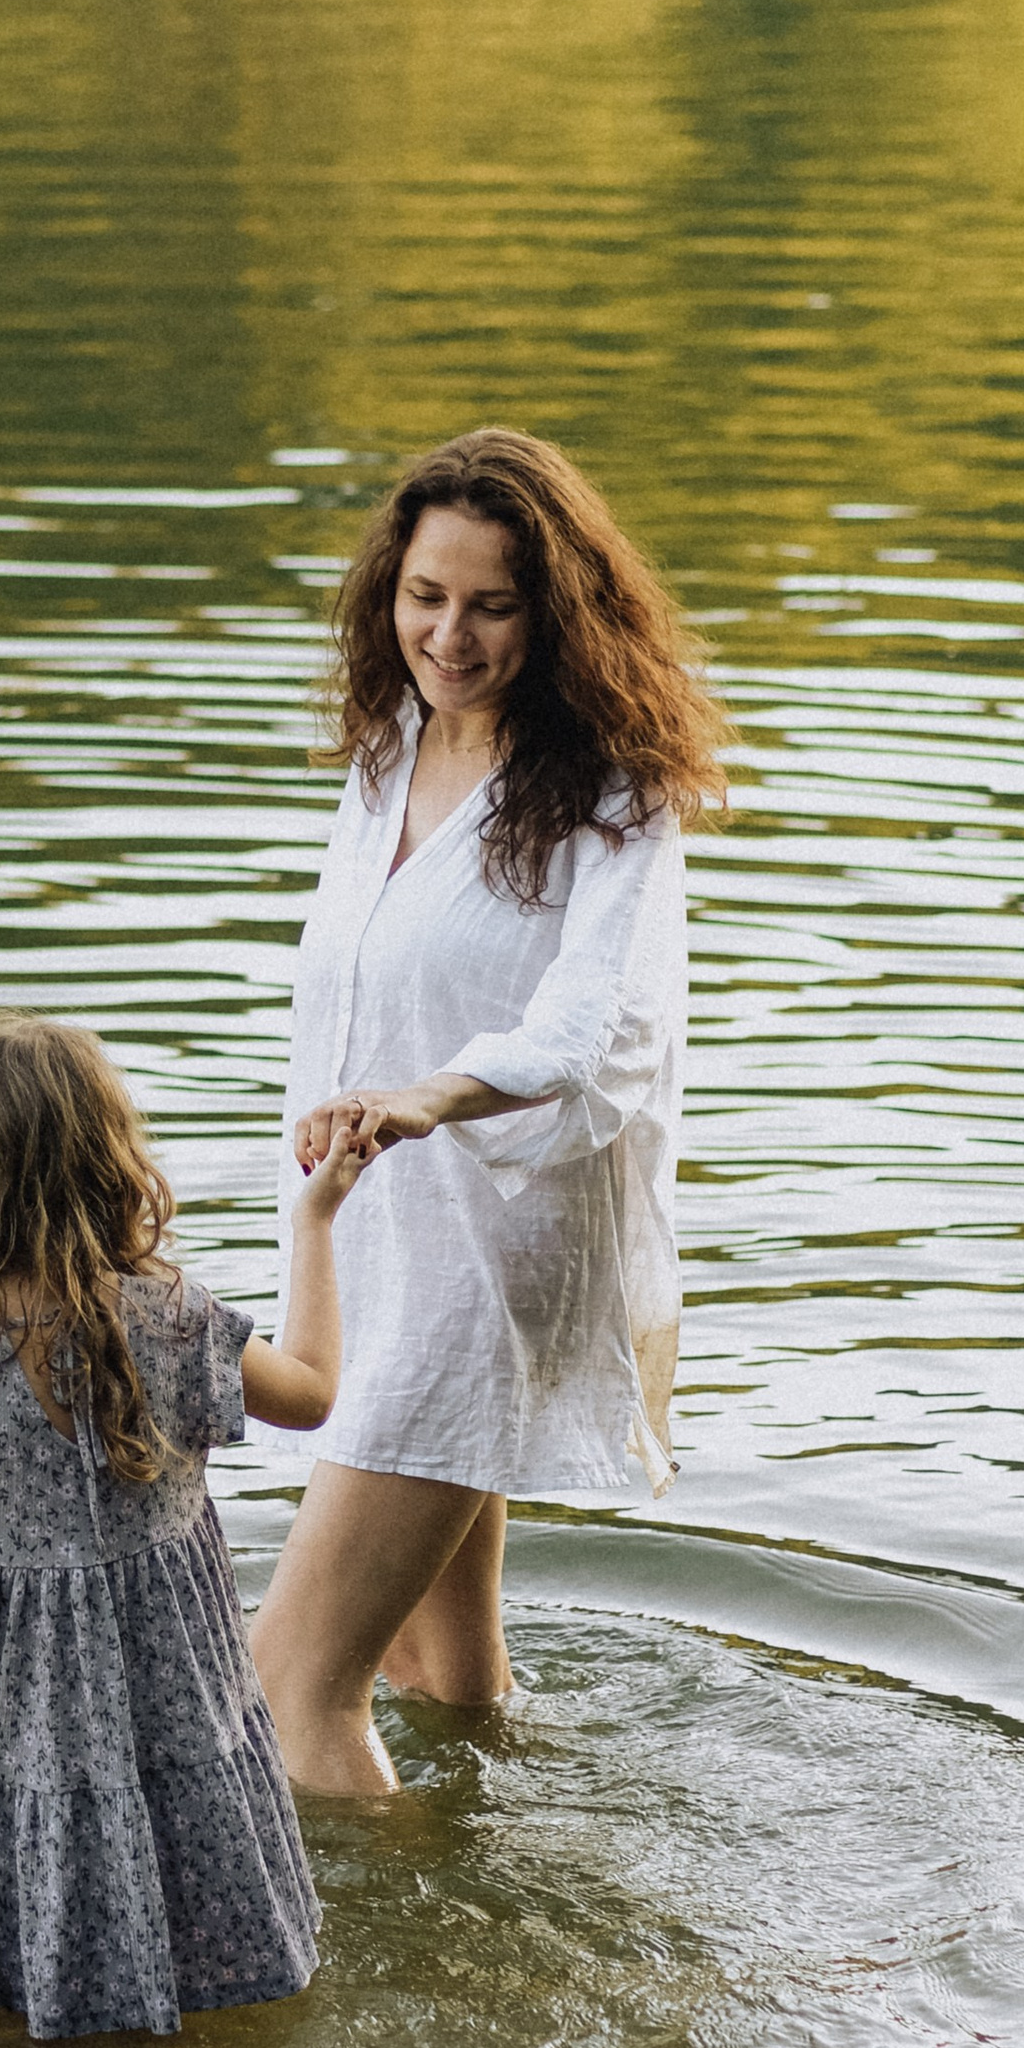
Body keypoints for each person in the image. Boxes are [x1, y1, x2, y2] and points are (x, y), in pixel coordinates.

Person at [249, 428, 724, 1802]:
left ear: (557, 611)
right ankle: (493, 1875)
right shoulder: (388, 745)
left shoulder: (614, 796)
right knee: (435, 1680)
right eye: (424, 595)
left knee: (287, 1691)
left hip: (490, 1252)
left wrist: (427, 1098)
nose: (448, 635)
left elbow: (583, 1036)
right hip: (373, 1240)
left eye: (492, 605)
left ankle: (418, 1979)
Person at [0, 1011, 378, 2041]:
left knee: (17, 1933)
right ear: (111, 1159)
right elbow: (316, 1391)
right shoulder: (173, 1317)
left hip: (8, 1724)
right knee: (170, 1866)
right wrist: (315, 1223)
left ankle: (29, 2047)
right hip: (167, 1700)